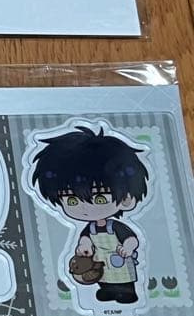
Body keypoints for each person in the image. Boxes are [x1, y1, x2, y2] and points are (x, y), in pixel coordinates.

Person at [30, 125, 149, 304]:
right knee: (104, 277)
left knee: (123, 277)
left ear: (126, 198)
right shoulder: (90, 228)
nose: (85, 207)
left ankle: (127, 292)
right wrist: (84, 246)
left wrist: (128, 247)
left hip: (119, 259)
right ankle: (107, 290)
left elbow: (131, 239)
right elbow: (85, 239)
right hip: (100, 262)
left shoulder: (115, 226)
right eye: (71, 201)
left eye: (100, 199)